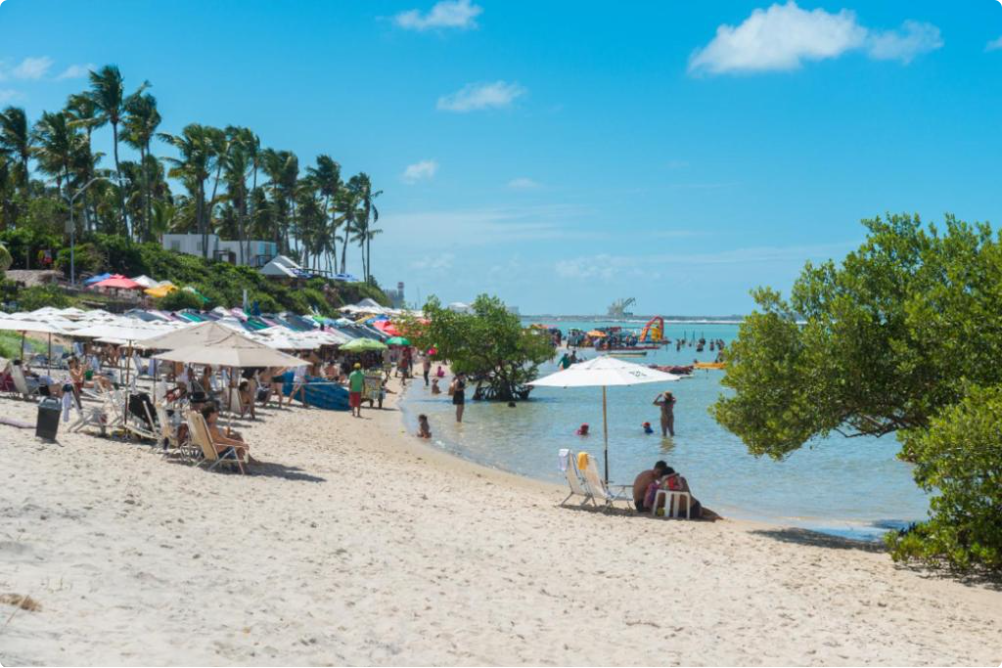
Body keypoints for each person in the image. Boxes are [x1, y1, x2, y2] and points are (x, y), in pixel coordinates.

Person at [651, 468, 721, 520]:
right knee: (700, 509)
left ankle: (708, 517)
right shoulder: (682, 480)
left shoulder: (663, 487)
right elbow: (689, 495)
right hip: (694, 507)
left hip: (680, 513)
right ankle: (716, 516)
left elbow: (659, 503)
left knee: (700, 515)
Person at [201, 404, 250, 473]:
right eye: (216, 412)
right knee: (239, 443)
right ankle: (241, 467)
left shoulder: (204, 424)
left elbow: (219, 439)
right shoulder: (211, 427)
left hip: (206, 450)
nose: (217, 413)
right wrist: (241, 444)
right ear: (210, 414)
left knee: (237, 437)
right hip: (218, 452)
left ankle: (238, 466)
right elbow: (224, 440)